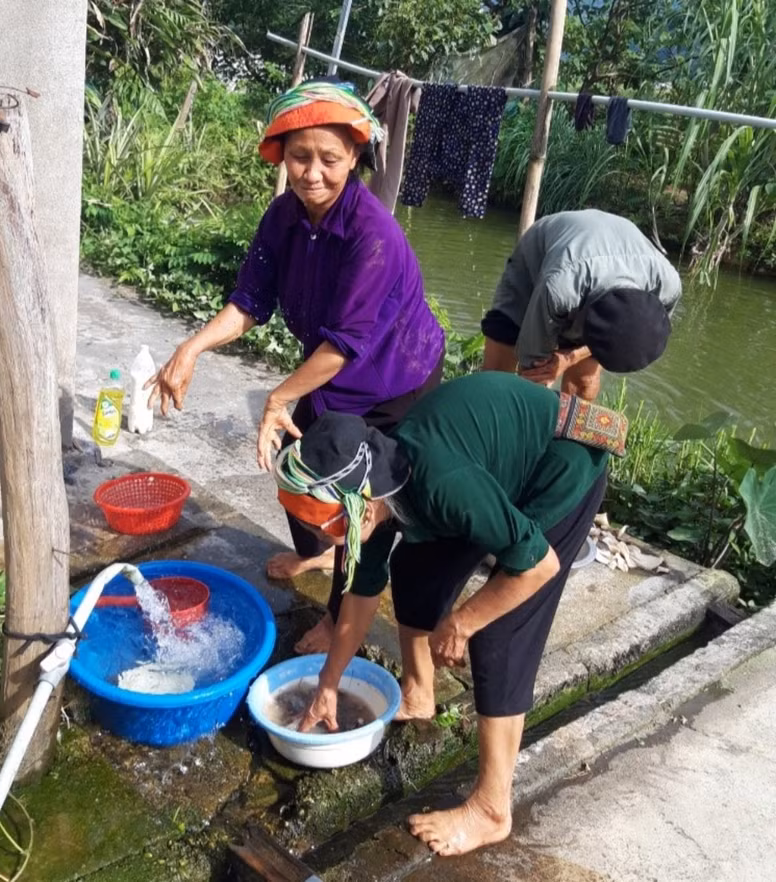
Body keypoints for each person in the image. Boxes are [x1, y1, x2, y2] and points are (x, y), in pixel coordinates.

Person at [149, 79, 444, 652]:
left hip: (395, 380)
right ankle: (316, 552)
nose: (312, 173)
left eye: (329, 159)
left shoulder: (373, 234)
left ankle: (339, 620)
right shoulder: (284, 217)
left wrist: (278, 397)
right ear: (282, 155)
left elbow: (344, 344)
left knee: (354, 498)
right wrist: (191, 348)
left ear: (355, 157)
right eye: (299, 156)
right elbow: (250, 301)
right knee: (295, 465)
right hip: (332, 372)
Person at [273, 371, 620, 856]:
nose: (321, 534)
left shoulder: (441, 483)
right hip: (489, 470)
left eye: (322, 521)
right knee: (414, 570)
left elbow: (538, 565)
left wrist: (463, 621)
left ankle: (492, 808)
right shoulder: (375, 483)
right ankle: (418, 693)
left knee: (499, 631)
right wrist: (328, 685)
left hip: (562, 466)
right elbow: (360, 598)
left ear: (358, 506)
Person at [481, 209, 682, 400]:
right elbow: (532, 368)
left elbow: (633, 335)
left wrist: (571, 356)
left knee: (583, 383)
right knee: (500, 374)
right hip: (542, 255)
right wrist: (543, 378)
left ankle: (568, 434)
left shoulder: (667, 287)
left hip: (609, 256)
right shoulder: (559, 288)